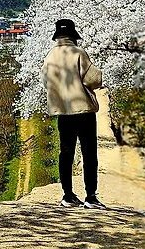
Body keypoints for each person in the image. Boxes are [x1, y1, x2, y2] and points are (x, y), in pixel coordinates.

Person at [41, 18, 107, 209]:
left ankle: (67, 195)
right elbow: (94, 79)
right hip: (83, 111)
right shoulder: (78, 53)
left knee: (66, 153)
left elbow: (46, 82)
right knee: (89, 154)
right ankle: (90, 197)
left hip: (63, 112)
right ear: (73, 35)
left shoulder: (49, 56)